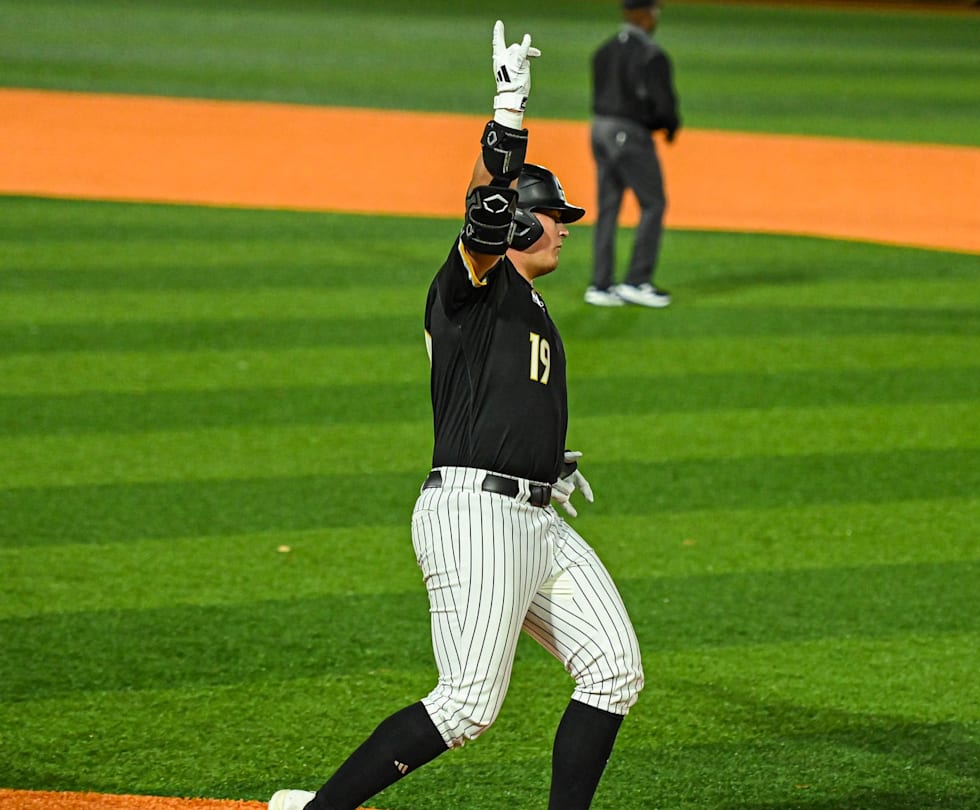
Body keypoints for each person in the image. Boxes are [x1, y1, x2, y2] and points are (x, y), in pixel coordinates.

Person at [268, 21, 644, 810]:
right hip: (476, 517)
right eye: (555, 216)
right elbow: (482, 213)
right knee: (467, 704)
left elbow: (504, 397)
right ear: (518, 225)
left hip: (534, 518)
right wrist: (508, 115)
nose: (566, 227)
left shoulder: (530, 306)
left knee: (613, 670)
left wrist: (542, 458)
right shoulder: (472, 285)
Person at [584, 0, 681, 309]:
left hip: (599, 130)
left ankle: (600, 285)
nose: (655, 18)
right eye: (653, 12)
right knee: (653, 204)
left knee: (608, 208)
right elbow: (664, 105)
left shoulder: (603, 50)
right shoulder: (651, 55)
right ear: (641, 15)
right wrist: (669, 126)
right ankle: (636, 282)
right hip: (630, 135)